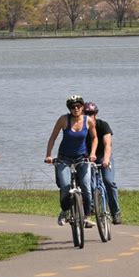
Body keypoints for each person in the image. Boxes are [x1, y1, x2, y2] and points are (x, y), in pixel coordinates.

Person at [45, 95, 98, 228]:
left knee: (86, 186)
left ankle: (86, 216)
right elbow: (53, 137)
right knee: (65, 187)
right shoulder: (63, 120)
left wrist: (92, 154)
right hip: (64, 158)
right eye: (73, 107)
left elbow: (95, 138)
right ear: (69, 108)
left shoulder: (88, 121)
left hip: (82, 158)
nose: (76, 109)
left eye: (78, 106)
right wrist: (48, 155)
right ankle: (64, 211)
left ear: (82, 107)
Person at [84, 102, 122, 224]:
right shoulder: (81, 128)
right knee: (88, 184)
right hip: (88, 158)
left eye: (91, 113)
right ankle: (89, 213)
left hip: (104, 157)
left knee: (108, 181)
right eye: (87, 113)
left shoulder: (103, 125)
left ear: (96, 114)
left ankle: (115, 212)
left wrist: (106, 159)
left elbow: (107, 145)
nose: (89, 116)